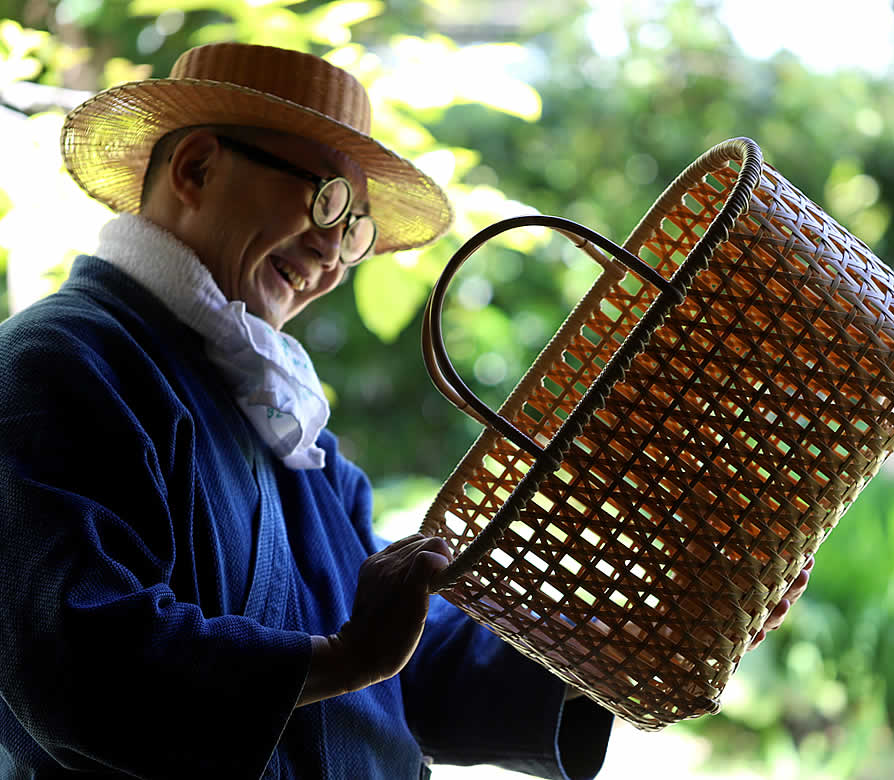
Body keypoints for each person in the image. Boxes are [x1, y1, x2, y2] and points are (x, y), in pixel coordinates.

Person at [0, 42, 812, 779]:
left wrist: (635, 639)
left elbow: (408, 674)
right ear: (198, 169)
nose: (332, 254)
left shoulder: (288, 424)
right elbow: (74, 661)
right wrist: (345, 656)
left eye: (354, 232)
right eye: (324, 204)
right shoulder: (56, 365)